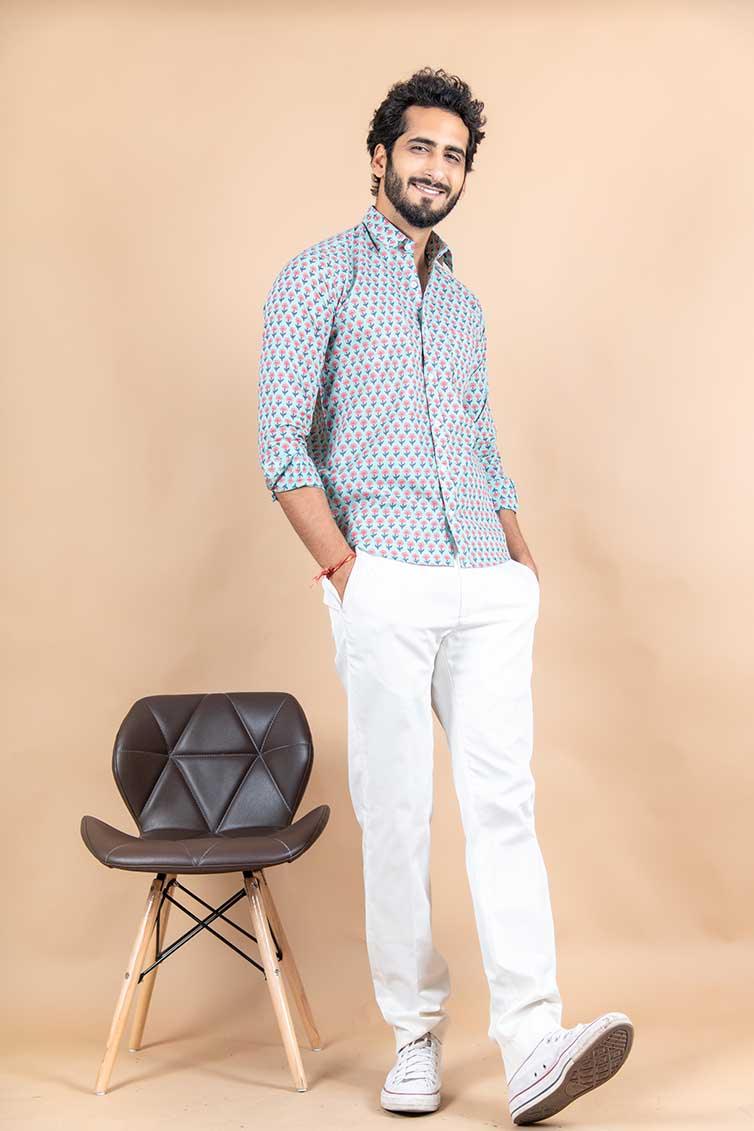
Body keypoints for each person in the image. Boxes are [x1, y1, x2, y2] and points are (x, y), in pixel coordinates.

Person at [257, 65, 634, 1126]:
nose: (435, 168)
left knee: (505, 806)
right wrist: (346, 571)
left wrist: (520, 563)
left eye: (453, 155)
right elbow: (281, 443)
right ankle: (414, 1037)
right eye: (420, 147)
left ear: (465, 175)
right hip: (385, 575)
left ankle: (531, 1044)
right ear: (381, 157)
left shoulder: (464, 307)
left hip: (486, 583)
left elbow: (481, 441)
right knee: (398, 815)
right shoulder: (318, 276)